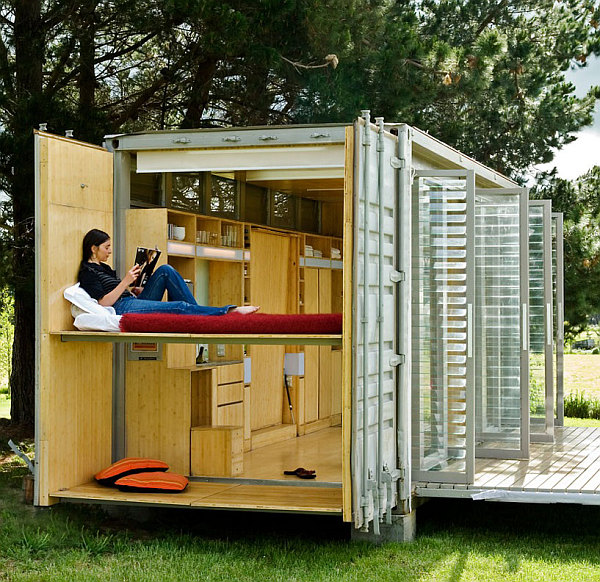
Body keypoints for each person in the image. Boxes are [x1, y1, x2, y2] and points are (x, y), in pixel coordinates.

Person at [78, 229, 259, 316]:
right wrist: (125, 282)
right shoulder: (87, 271)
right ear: (94, 248)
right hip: (120, 308)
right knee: (179, 305)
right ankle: (229, 312)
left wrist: (132, 289)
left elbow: (117, 291)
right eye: (106, 247)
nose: (109, 251)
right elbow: (103, 303)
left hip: (131, 300)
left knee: (165, 270)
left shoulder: (105, 268)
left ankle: (196, 315)